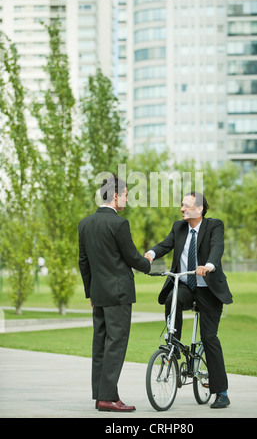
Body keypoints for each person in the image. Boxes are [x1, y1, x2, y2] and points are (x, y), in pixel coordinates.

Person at [145, 192, 233, 409]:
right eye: (182, 205)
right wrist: (149, 254)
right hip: (186, 285)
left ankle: (221, 392)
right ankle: (172, 342)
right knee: (171, 299)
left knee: (209, 337)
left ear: (200, 208)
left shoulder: (214, 226)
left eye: (186, 206)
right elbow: (165, 245)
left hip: (208, 289)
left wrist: (209, 266)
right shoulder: (179, 227)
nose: (182, 209)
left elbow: (217, 248)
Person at [78, 174, 152, 412]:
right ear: (116, 195)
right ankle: (108, 397)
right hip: (119, 295)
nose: (127, 200)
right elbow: (131, 257)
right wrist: (148, 263)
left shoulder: (85, 224)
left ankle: (100, 395)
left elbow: (83, 262)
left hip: (98, 294)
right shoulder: (119, 224)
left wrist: (90, 293)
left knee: (100, 343)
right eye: (126, 195)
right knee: (116, 344)